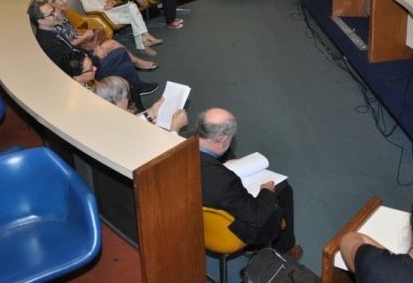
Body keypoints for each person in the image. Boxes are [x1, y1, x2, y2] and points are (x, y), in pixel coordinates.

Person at [198, 108, 303, 260]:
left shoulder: (179, 147)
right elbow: (256, 216)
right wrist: (266, 191)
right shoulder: (225, 182)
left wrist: (221, 164)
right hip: (230, 228)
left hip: (192, 216)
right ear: (223, 139)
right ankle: (284, 248)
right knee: (283, 189)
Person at [27, 1, 158, 98]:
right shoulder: (48, 43)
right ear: (41, 21)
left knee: (114, 47)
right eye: (51, 13)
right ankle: (138, 86)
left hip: (84, 59)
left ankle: (134, 81)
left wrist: (90, 54)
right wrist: (96, 57)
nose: (56, 14)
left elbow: (72, 50)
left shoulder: (52, 30)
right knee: (121, 54)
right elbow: (73, 70)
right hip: (86, 70)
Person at [43, 0, 157, 71]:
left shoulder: (63, 13)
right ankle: (138, 62)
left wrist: (82, 33)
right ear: (52, 2)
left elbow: (71, 33)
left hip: (80, 40)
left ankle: (134, 62)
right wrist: (84, 36)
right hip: (78, 48)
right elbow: (70, 43)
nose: (65, 1)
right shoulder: (53, 21)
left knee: (111, 42)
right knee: (113, 44)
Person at [96, 76, 188, 133]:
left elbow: (130, 126)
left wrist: (151, 113)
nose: (128, 100)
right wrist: (175, 128)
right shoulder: (120, 129)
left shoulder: (103, 116)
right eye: (126, 96)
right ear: (118, 101)